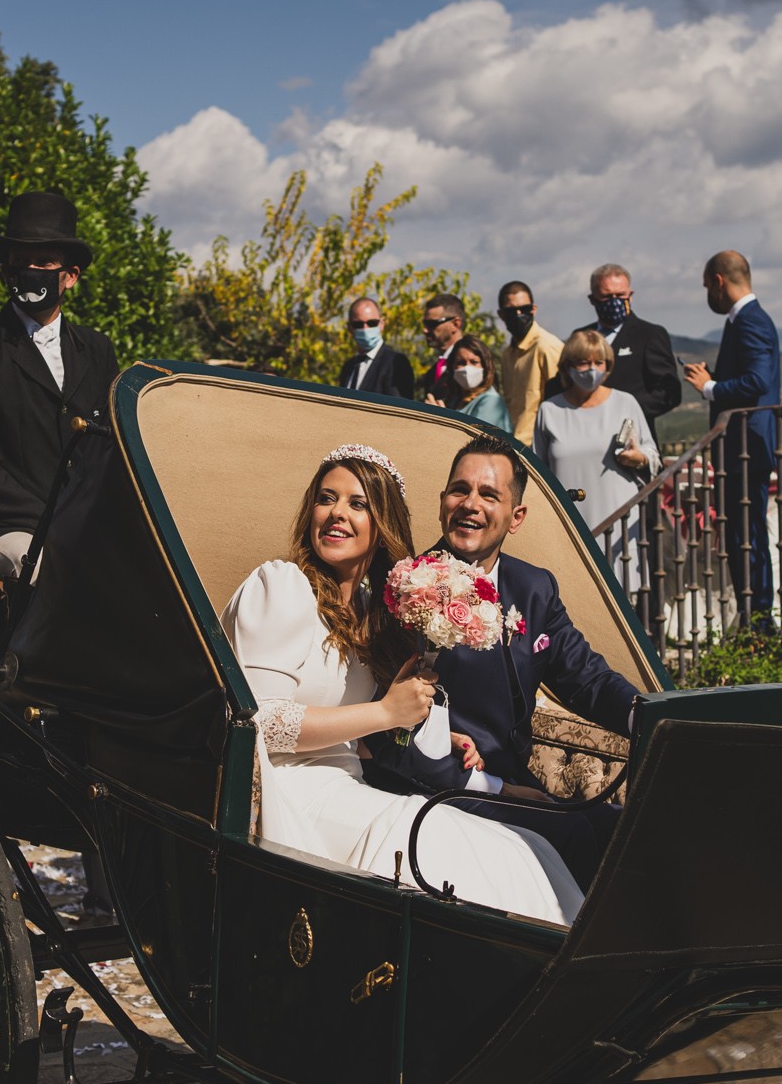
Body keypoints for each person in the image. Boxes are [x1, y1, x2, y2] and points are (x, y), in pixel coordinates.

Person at [222, 445, 583, 924]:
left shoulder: (367, 612)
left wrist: (434, 735)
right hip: (290, 792)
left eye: (358, 504)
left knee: (520, 848)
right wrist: (384, 713)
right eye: (326, 498)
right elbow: (257, 722)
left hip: (348, 784)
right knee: (428, 836)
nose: (337, 513)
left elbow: (355, 739)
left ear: (382, 526)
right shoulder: (282, 584)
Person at [365, 434, 642, 881]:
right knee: (570, 835)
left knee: (622, 829)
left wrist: (644, 717)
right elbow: (389, 736)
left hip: (515, 785)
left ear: (516, 517)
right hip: (438, 788)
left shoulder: (535, 587)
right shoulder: (408, 590)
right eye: (460, 490)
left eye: (489, 495)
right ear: (442, 502)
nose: (470, 504)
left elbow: (586, 677)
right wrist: (493, 787)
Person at [0, 190, 120, 579]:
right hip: (7, 527)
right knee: (41, 572)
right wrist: (55, 521)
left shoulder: (98, 350)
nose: (31, 270)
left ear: (70, 276)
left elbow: (109, 451)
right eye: (21, 262)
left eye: (44, 262)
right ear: (6, 271)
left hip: (85, 523)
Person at [682, 250, 781, 625]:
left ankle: (760, 623)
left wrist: (710, 387)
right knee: (743, 536)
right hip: (742, 449)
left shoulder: (751, 320)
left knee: (749, 537)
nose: (708, 294)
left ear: (719, 282)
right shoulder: (743, 320)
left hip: (747, 449)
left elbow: (758, 380)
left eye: (707, 286)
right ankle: (753, 618)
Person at [538, 329, 661, 588]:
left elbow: (652, 455)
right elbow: (539, 472)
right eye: (583, 362)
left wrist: (639, 458)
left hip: (619, 523)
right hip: (570, 524)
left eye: (599, 362)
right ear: (568, 366)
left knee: (622, 595)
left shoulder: (626, 403)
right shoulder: (549, 410)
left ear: (608, 365)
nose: (591, 369)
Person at [574, 264, 681, 437]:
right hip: (584, 434)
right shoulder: (580, 337)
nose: (614, 301)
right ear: (592, 299)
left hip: (632, 437)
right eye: (607, 296)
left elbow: (668, 392)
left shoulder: (649, 335)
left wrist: (626, 412)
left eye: (620, 295)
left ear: (630, 296)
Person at [496, 281, 565, 448]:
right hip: (514, 444)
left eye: (524, 309)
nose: (519, 314)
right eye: (511, 311)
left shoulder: (547, 347)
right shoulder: (507, 354)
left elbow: (562, 401)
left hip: (540, 445)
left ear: (533, 309)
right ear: (501, 315)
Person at [336, 297, 416, 399]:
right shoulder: (348, 367)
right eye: (358, 324)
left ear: (382, 324)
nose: (365, 329)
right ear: (349, 327)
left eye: (372, 323)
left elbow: (399, 405)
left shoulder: (395, 363)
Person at [426, 335, 512, 429]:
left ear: (485, 366)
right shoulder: (455, 400)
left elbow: (476, 436)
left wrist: (441, 419)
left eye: (474, 362)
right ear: (452, 367)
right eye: (461, 363)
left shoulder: (491, 401)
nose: (467, 368)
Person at [417, 293, 468, 404]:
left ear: (455, 324)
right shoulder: (432, 373)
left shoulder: (472, 365)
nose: (425, 330)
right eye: (424, 324)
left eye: (432, 324)